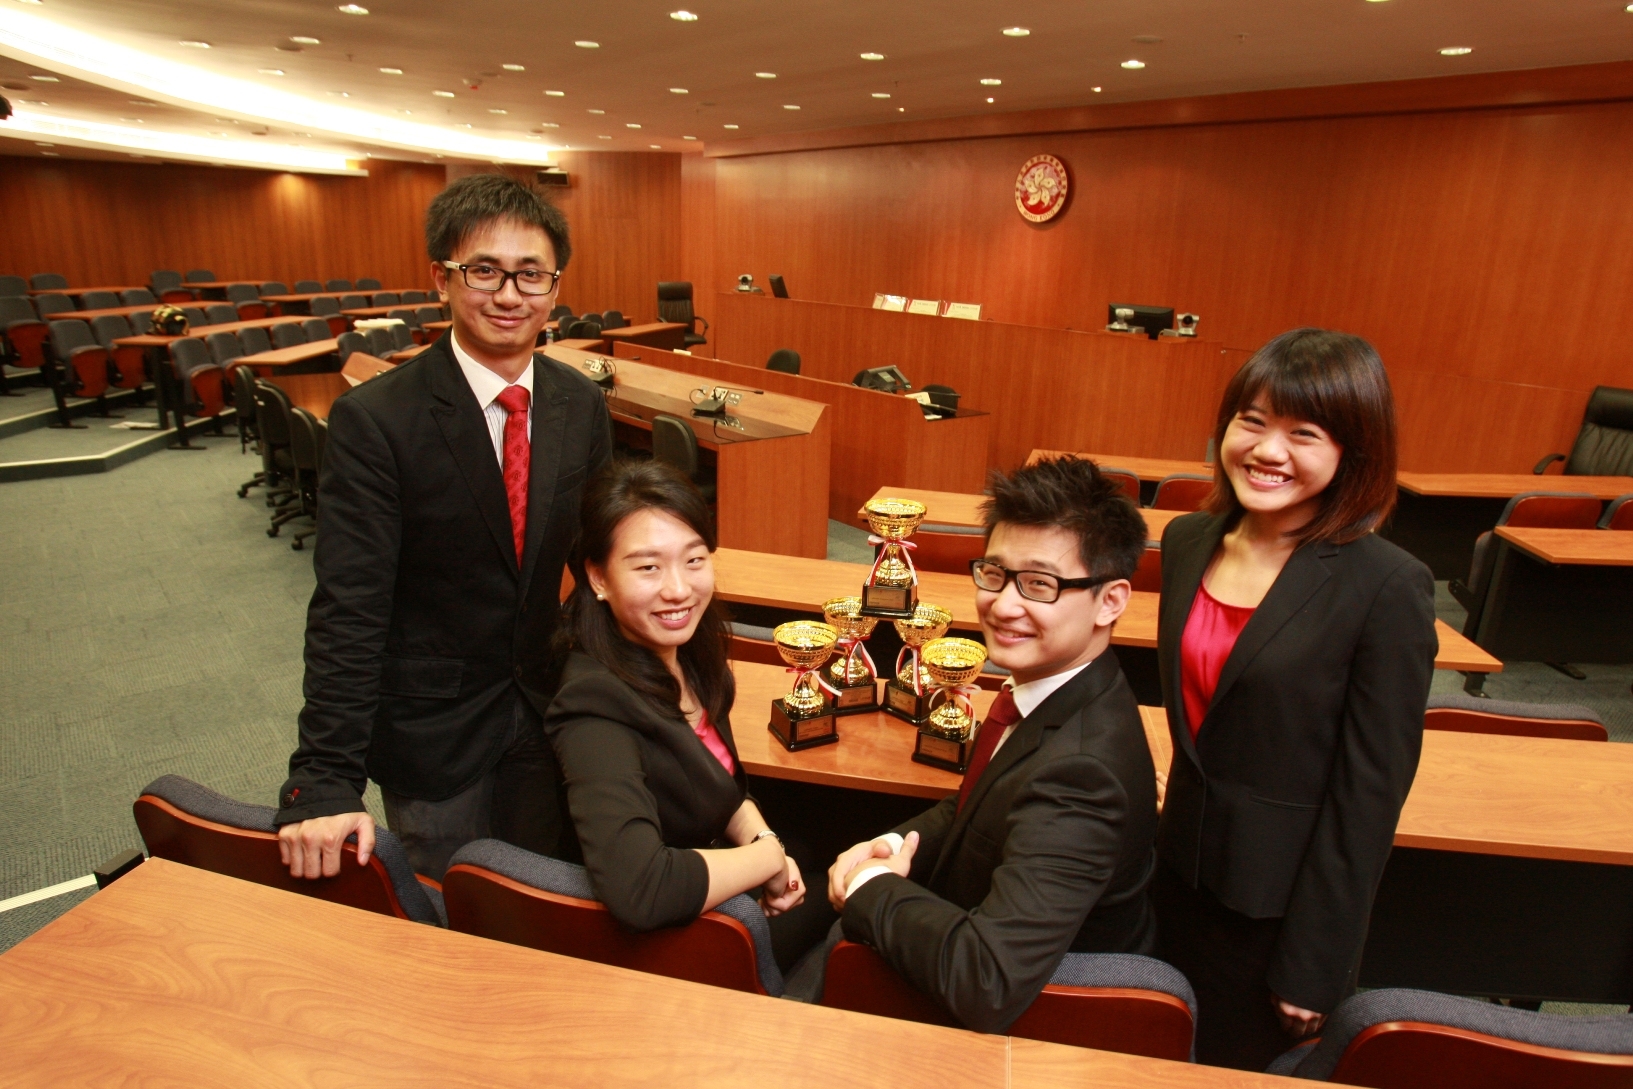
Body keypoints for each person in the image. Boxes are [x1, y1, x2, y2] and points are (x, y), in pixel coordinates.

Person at [275, 172, 611, 880]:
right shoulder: (376, 420)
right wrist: (325, 775)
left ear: (556, 286)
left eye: (531, 274)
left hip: (547, 712)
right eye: (484, 270)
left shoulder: (578, 404)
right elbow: (349, 607)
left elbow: (595, 562)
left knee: (545, 895)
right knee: (443, 920)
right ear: (441, 278)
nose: (510, 294)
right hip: (434, 732)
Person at [1154, 328, 1436, 1070]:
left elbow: (1368, 794)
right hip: (1170, 875)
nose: (1266, 449)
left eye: (1301, 432)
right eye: (1251, 420)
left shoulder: (1385, 585)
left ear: (1353, 451)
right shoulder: (1187, 541)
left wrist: (1315, 960)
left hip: (1273, 916)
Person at [810, 456, 1159, 1033]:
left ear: (1111, 600)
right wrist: (890, 842)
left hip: (1045, 1025)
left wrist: (870, 886)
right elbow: (975, 806)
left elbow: (986, 979)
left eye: (1040, 584)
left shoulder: (1081, 773)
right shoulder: (1055, 691)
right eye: (994, 574)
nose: (1003, 605)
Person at [543, 459, 832, 970]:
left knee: (834, 855)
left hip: (712, 867)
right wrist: (765, 860)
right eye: (648, 567)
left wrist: (767, 843)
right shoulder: (592, 704)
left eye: (694, 560)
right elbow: (640, 888)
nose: (679, 589)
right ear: (598, 577)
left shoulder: (690, 652)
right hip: (669, 941)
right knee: (848, 909)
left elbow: (719, 784)